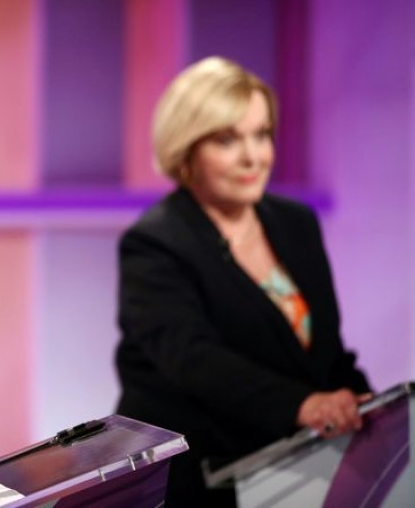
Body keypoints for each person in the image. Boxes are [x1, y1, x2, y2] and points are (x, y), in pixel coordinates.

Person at [113, 56, 371, 506]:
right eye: (227, 140)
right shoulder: (154, 243)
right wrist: (303, 405)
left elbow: (322, 349)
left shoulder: (295, 223)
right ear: (186, 149)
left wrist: (369, 408)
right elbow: (192, 359)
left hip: (294, 469)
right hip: (197, 480)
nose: (254, 156)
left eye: (262, 134)